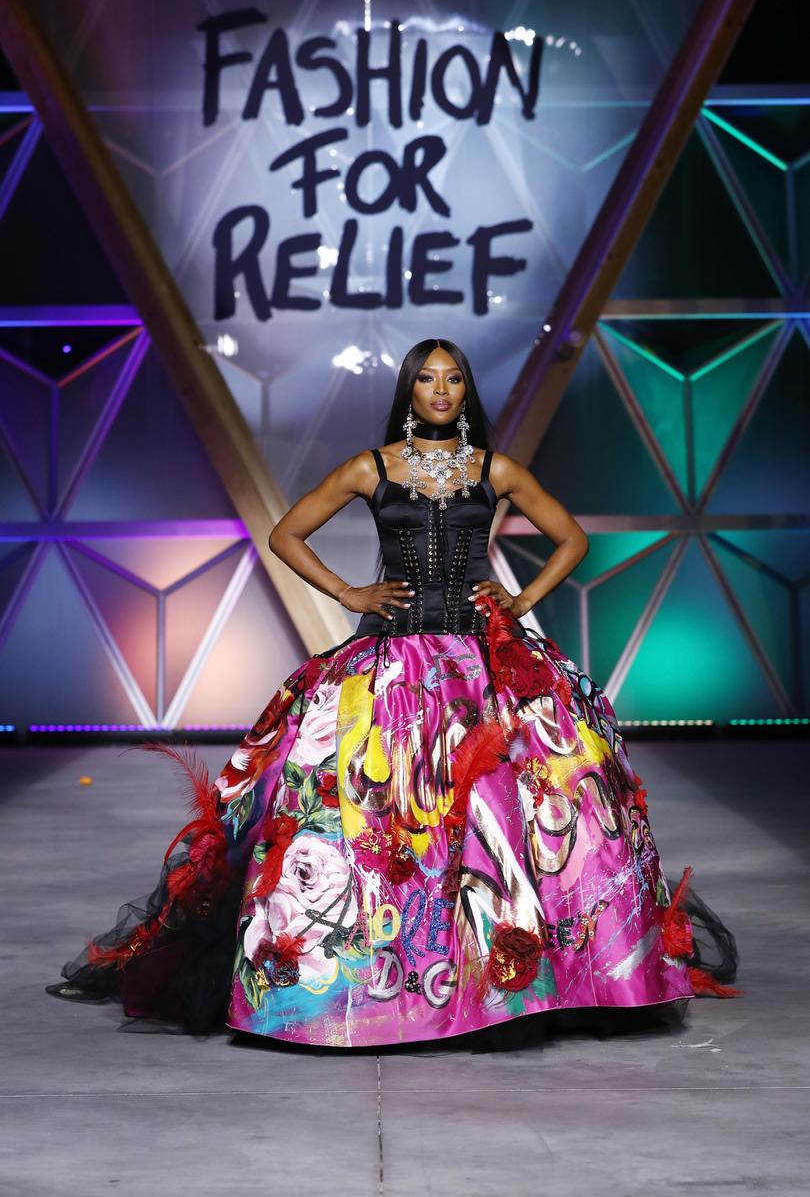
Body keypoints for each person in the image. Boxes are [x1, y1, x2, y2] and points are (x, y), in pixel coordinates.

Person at [47, 338, 741, 1047]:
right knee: (375, 822)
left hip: (482, 665)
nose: (441, 390)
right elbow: (287, 533)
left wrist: (518, 598)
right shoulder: (370, 468)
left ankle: (511, 979)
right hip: (393, 665)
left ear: (465, 391)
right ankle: (377, 987)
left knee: (520, 815)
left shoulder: (492, 468)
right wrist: (351, 590)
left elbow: (570, 538)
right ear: (409, 391)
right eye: (428, 380)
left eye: (454, 379)